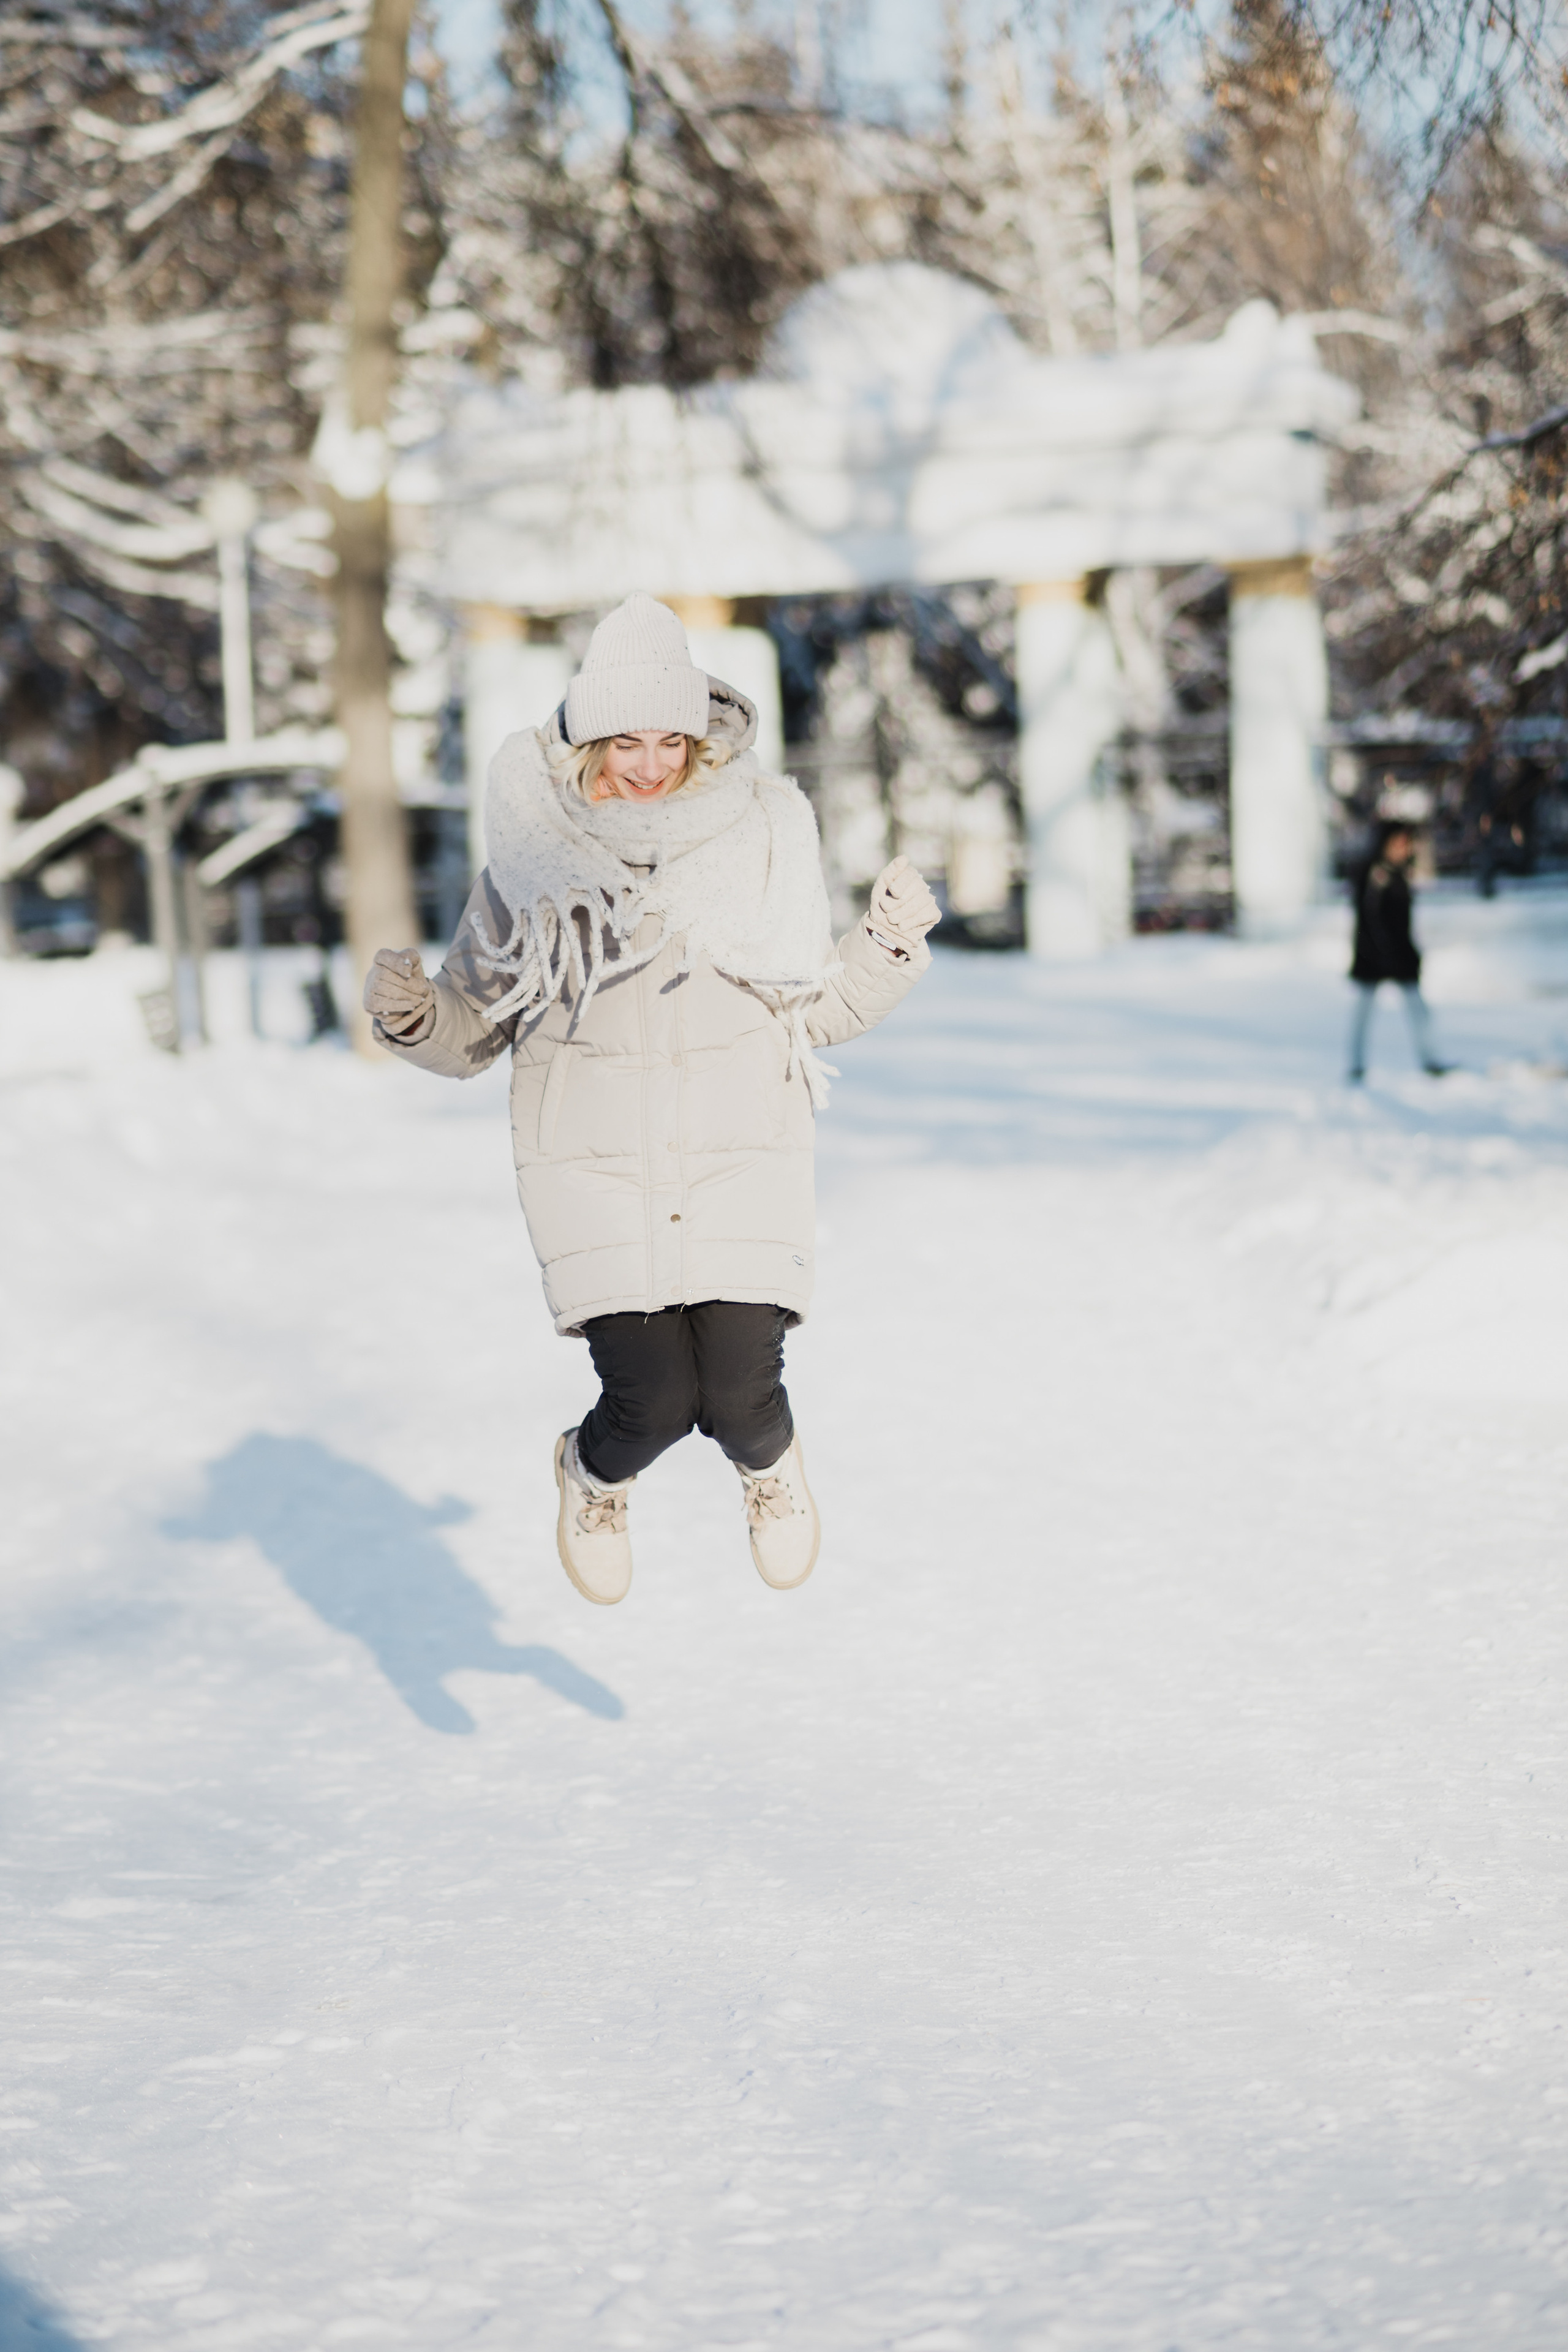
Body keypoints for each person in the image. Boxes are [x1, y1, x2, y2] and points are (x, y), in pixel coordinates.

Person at [363, 594, 938, 1605]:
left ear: (702, 737)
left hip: (740, 1156)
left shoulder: (767, 836)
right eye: (625, 741)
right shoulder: (529, 863)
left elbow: (818, 1007)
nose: (649, 764)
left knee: (744, 1400)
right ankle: (590, 1478)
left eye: (671, 740)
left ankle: (772, 1471)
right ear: (589, 739)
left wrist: (886, 945)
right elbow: (476, 1025)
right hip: (593, 1172)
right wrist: (416, 1016)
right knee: (656, 1402)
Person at [1346, 820, 1449, 1083]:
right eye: (1400, 843)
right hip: (1374, 957)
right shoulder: (1375, 874)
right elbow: (1370, 918)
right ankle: (1356, 1065)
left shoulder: (1398, 874)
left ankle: (1430, 1060)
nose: (1404, 849)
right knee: (1364, 1013)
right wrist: (1381, 952)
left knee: (1419, 1011)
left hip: (1401, 957)